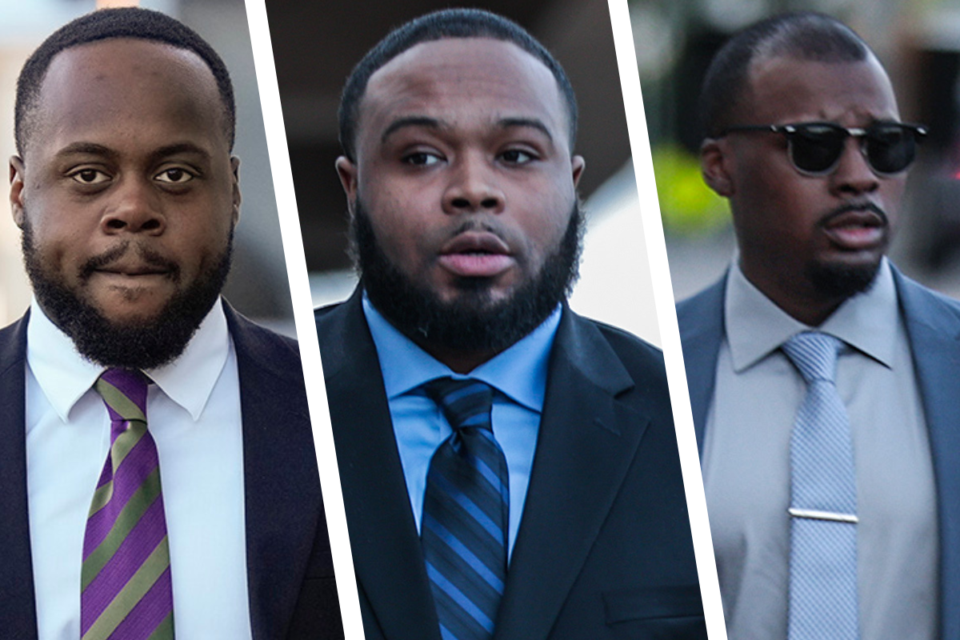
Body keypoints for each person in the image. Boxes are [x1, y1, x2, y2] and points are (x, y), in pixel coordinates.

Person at [314, 8, 705, 640]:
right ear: (353, 188)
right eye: (419, 157)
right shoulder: (272, 402)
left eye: (517, 154)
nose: (473, 190)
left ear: (571, 185)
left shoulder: (686, 416)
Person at [1, 8, 342, 639]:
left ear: (232, 191)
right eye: (88, 174)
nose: (133, 208)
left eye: (175, 174)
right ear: (19, 189)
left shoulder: (341, 416)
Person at [677, 11, 960, 640]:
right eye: (814, 144)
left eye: (887, 145)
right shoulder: (647, 376)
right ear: (721, 165)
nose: (861, 177)